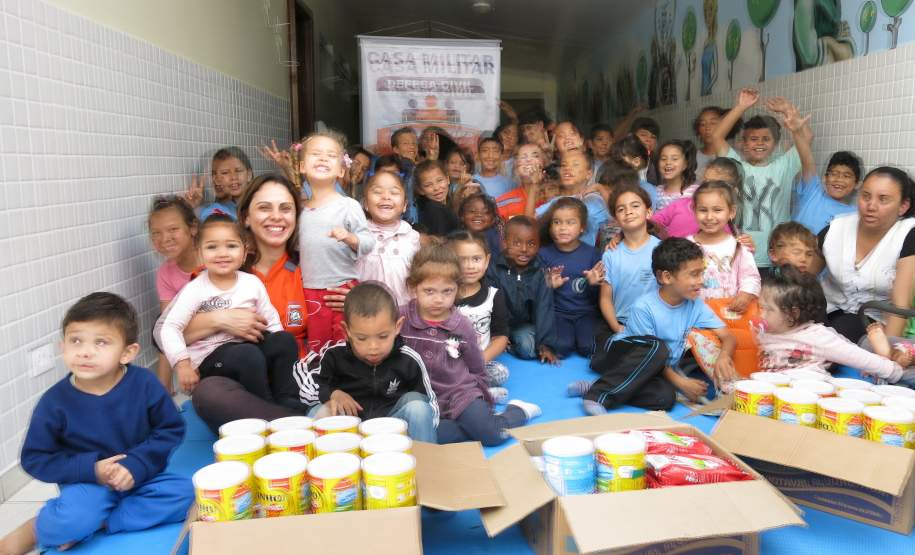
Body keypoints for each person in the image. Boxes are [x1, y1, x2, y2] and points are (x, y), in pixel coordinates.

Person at [0, 293, 192, 554]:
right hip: (88, 485)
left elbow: (170, 430)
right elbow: (35, 459)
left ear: (127, 352)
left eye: (101, 342)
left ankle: (101, 522)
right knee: (74, 517)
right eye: (76, 340)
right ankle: (37, 528)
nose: (85, 352)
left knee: (188, 495)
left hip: (142, 477)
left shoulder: (145, 383)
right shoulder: (54, 402)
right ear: (62, 347)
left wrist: (136, 463)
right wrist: (91, 470)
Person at [570, 238, 737, 414]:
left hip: (653, 367)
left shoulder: (696, 305)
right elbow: (651, 352)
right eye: (694, 274)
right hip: (619, 356)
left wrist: (724, 356)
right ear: (666, 277)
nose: (701, 281)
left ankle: (603, 383)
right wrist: (681, 383)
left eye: (702, 273)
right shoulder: (643, 307)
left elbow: (728, 336)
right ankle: (597, 395)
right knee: (657, 347)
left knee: (665, 397)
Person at [156, 215, 301, 409]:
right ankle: (266, 409)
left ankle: (289, 401)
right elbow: (169, 327)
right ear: (200, 254)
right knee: (247, 354)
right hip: (212, 359)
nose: (222, 253)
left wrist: (276, 347)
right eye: (212, 247)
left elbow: (271, 321)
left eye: (231, 246)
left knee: (284, 340)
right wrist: (182, 364)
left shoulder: (251, 283)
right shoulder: (196, 288)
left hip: (249, 349)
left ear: (244, 252)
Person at [400, 245, 541, 445]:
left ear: (457, 289)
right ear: (413, 287)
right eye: (429, 291)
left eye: (447, 291)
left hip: (460, 393)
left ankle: (516, 411)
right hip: (423, 398)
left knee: (492, 435)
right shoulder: (401, 317)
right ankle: (477, 426)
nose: (438, 299)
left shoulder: (461, 325)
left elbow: (476, 367)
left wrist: (482, 400)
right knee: (426, 438)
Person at [308, 282, 438, 442]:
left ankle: (426, 459)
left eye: (383, 336)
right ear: (346, 331)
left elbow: (430, 404)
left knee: (418, 407)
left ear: (397, 327)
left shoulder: (409, 359)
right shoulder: (333, 356)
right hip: (349, 431)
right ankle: (325, 463)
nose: (373, 347)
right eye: (362, 338)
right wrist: (333, 394)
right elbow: (309, 390)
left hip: (393, 429)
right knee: (317, 411)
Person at [709, 88, 814, 272]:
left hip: (778, 256)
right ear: (744, 143)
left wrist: (789, 110)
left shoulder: (785, 166)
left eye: (766, 139)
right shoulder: (736, 166)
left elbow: (807, 138)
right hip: (741, 253)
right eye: (753, 139)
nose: (759, 143)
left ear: (775, 143)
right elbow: (717, 137)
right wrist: (741, 106)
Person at [756, 265, 904, 382]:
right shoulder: (763, 332)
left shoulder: (815, 336)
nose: (761, 314)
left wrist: (892, 371)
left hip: (809, 395)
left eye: (767, 309)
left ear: (793, 314)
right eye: (760, 307)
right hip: (776, 396)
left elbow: (853, 354)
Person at [297, 130, 375, 352]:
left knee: (345, 345)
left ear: (342, 169)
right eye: (315, 153)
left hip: (341, 288)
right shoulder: (298, 209)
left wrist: (350, 238)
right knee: (316, 347)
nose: (322, 158)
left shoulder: (348, 205)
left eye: (330, 155)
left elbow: (368, 242)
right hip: (308, 289)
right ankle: (319, 384)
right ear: (302, 166)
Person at [818, 166, 915, 341]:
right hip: (826, 313)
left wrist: (887, 357)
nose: (871, 206)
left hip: (874, 326)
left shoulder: (908, 235)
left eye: (883, 199)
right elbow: (802, 270)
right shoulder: (836, 228)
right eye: (866, 196)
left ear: (903, 206)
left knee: (835, 337)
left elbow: (901, 306)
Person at [485, 216, 559, 363]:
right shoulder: (493, 268)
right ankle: (500, 342)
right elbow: (488, 304)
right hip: (495, 326)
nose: (524, 249)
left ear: (539, 245)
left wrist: (545, 345)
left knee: (528, 349)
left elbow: (544, 307)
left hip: (522, 326)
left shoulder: (540, 271)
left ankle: (510, 346)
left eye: (531, 244)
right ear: (504, 243)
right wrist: (497, 332)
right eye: (517, 243)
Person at [596, 185, 660, 351]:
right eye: (621, 209)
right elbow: (605, 299)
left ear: (649, 212)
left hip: (654, 324)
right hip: (621, 323)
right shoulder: (610, 254)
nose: (628, 211)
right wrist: (617, 328)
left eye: (635, 206)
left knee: (656, 352)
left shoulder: (661, 249)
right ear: (616, 219)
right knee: (600, 354)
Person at [449, 231, 511, 401]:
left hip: (480, 361)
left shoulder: (494, 295)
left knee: (500, 373)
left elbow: (501, 337)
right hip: (449, 362)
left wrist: (480, 360)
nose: (469, 266)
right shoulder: (445, 296)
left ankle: (469, 391)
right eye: (462, 260)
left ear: (487, 261)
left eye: (476, 259)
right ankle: (478, 393)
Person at [538, 198, 603, 358]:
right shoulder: (544, 254)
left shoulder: (593, 254)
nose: (563, 228)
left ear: (582, 228)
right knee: (561, 348)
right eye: (557, 222)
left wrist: (593, 284)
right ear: (551, 226)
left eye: (570, 222)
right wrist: (549, 286)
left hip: (586, 313)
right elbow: (538, 298)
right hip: (558, 313)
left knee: (589, 347)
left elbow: (599, 298)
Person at [148, 196, 201, 390]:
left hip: (227, 328)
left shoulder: (213, 256)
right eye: (156, 233)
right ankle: (164, 390)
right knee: (162, 325)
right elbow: (165, 326)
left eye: (173, 229)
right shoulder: (166, 272)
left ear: (192, 228)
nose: (164, 239)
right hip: (193, 332)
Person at [688, 181, 761, 314]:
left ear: (731, 212)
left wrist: (745, 294)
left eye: (717, 210)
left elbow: (751, 277)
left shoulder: (739, 246)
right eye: (703, 210)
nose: (709, 217)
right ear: (694, 210)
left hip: (729, 312)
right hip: (693, 314)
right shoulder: (686, 246)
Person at [357, 171, 421, 307]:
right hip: (366, 311)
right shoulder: (358, 236)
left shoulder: (413, 237)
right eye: (377, 192)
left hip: (405, 311)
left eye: (394, 192)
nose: (386, 197)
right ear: (365, 203)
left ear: (404, 205)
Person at [532, 150, 609, 247]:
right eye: (564, 165)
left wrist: (600, 188)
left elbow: (617, 217)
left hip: (586, 259)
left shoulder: (595, 199)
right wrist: (532, 186)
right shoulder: (557, 201)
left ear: (589, 174)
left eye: (575, 164)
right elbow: (530, 222)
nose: (567, 168)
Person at [651, 157, 742, 238]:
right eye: (705, 181)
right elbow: (652, 224)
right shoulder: (681, 204)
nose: (708, 187)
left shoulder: (729, 231)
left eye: (716, 184)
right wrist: (666, 241)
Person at [793, 150, 860, 234]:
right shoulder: (813, 192)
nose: (839, 179)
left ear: (857, 184)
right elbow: (805, 156)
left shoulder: (856, 215)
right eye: (834, 174)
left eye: (846, 176)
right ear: (825, 178)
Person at [183, 146, 254, 221]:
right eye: (225, 173)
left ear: (249, 175)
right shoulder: (217, 211)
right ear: (217, 180)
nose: (233, 177)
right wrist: (194, 208)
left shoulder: (260, 200)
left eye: (238, 171)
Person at [414, 160, 461, 238]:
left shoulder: (447, 204)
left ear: (448, 179)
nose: (436, 188)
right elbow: (439, 240)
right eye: (428, 185)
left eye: (440, 180)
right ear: (420, 190)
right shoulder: (434, 209)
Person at [654, 140, 699, 211]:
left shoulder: (696, 191)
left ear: (685, 164)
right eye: (663, 159)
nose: (668, 162)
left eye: (674, 159)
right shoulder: (655, 192)